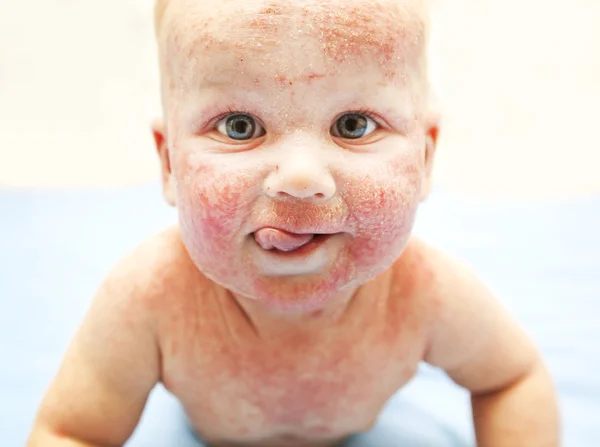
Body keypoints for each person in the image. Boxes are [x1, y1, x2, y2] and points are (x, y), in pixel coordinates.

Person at [27, 0, 560, 445]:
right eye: (239, 126)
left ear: (424, 157)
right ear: (168, 164)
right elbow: (72, 431)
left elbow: (512, 380)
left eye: (353, 125)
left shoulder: (427, 294)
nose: (301, 178)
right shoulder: (150, 299)